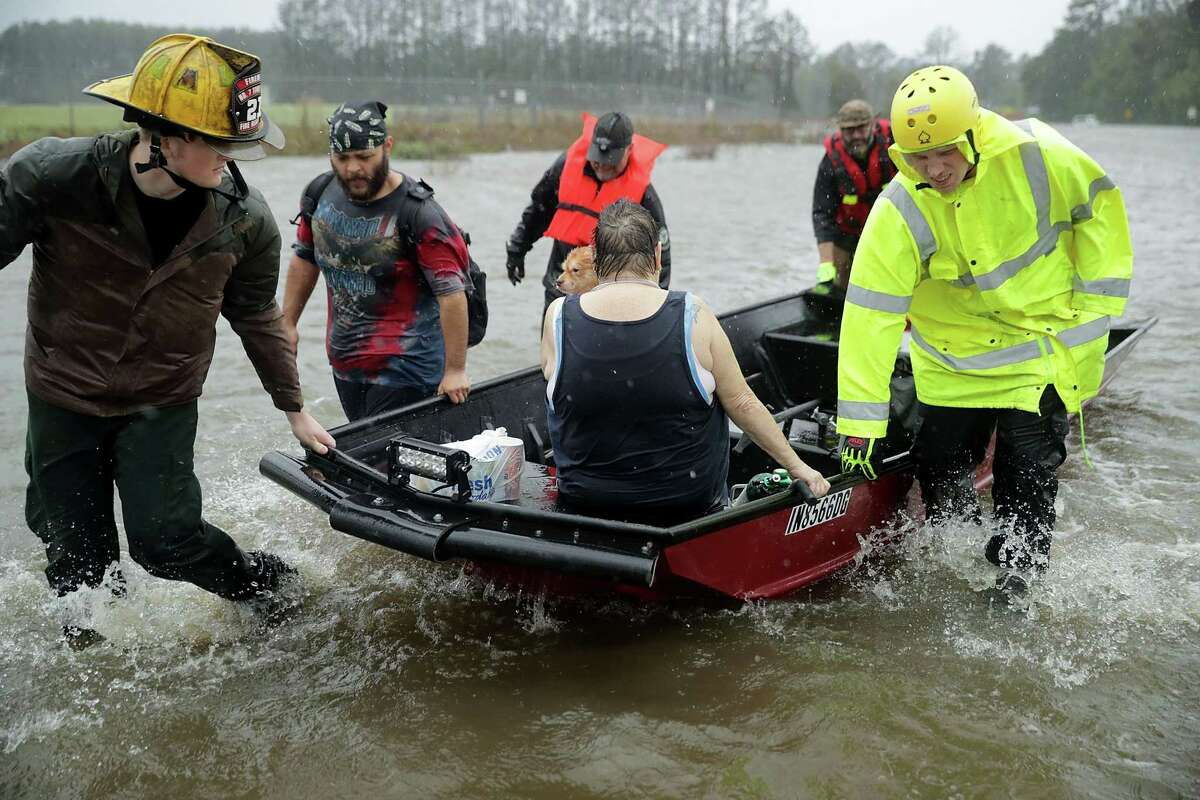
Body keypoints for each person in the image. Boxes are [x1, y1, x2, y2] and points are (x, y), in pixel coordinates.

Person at [0, 34, 335, 644]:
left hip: (162, 398)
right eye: (223, 145)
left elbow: (257, 316)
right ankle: (94, 672)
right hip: (62, 391)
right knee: (75, 563)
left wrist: (294, 407)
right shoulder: (54, 177)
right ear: (165, 137)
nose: (234, 160)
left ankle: (271, 589)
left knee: (167, 542)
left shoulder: (244, 218)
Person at [835, 66, 1133, 593]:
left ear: (973, 135)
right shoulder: (899, 206)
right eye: (918, 158)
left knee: (1026, 479)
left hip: (1036, 348)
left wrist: (1091, 314)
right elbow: (870, 314)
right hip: (951, 362)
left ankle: (1017, 586)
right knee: (943, 476)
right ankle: (958, 570)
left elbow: (1099, 209)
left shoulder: (1040, 154)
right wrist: (860, 422)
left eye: (944, 152)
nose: (934, 168)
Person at [542, 200, 829, 525]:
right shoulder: (693, 313)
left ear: (598, 259)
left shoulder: (558, 316)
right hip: (683, 507)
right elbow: (742, 401)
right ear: (657, 255)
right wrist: (798, 468)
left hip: (585, 503)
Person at [282, 100, 472, 421]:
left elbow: (451, 293)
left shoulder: (419, 213)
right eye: (342, 158)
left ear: (387, 146)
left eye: (365, 157)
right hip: (345, 363)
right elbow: (305, 258)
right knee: (363, 457)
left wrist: (456, 369)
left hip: (408, 368)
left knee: (380, 463)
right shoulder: (319, 194)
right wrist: (287, 323)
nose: (353, 168)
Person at [506, 111, 671, 317]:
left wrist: (656, 308)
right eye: (598, 157)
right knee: (553, 345)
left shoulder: (645, 196)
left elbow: (660, 254)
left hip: (610, 298)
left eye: (610, 159)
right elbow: (539, 210)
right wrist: (516, 250)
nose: (602, 164)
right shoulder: (565, 167)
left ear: (629, 150)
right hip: (561, 287)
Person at [811, 99, 897, 292]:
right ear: (840, 130)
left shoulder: (894, 144)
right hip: (848, 234)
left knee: (894, 283)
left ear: (873, 125)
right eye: (849, 130)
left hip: (891, 230)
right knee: (840, 287)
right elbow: (822, 214)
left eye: (861, 128)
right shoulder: (830, 162)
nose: (856, 135)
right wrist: (826, 264)